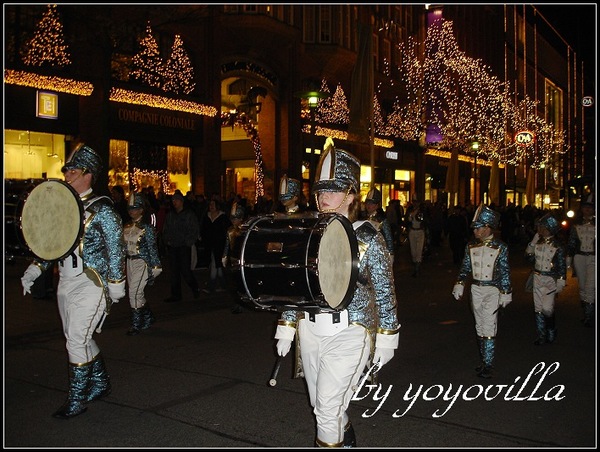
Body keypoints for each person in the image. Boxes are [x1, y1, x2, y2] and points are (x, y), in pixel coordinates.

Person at [273, 141, 399, 447]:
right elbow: (296, 285)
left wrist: (387, 337)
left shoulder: (369, 235)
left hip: (350, 330)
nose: (324, 197)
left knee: (327, 408)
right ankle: (346, 437)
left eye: (334, 190)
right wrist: (287, 326)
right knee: (323, 406)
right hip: (311, 328)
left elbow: (384, 289)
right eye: (321, 191)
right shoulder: (309, 232)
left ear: (351, 194)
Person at [20, 144, 126, 419]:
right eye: (66, 171)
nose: (67, 176)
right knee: (77, 337)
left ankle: (76, 400)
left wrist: (116, 283)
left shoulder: (103, 210)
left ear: (88, 175)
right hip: (65, 282)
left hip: (92, 282)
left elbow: (116, 248)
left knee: (76, 340)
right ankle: (101, 382)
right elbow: (51, 244)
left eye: (73, 171)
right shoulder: (62, 207)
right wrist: (35, 269)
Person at [452, 204, 512, 379]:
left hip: (492, 290)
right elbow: (465, 266)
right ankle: (484, 360)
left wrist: (506, 291)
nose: (475, 232)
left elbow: (505, 271)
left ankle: (488, 364)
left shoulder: (501, 247)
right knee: (479, 326)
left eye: (478, 228)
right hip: (476, 289)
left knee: (489, 326)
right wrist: (460, 283)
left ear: (487, 228)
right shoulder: (471, 246)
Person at [123, 192, 162, 335]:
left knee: (134, 292)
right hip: (129, 262)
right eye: (130, 208)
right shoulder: (126, 226)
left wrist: (156, 266)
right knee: (136, 293)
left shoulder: (147, 228)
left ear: (141, 210)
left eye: (135, 208)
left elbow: (153, 247)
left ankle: (136, 324)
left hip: (142, 262)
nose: (132, 211)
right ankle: (148, 316)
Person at [525, 212, 567, 345]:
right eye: (539, 227)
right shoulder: (537, 243)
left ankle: (551, 329)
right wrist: (532, 243)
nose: (540, 229)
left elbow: (561, 264)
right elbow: (528, 259)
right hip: (537, 277)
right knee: (538, 308)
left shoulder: (557, 246)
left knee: (547, 308)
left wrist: (561, 280)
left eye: (543, 227)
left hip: (550, 279)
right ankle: (542, 335)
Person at [162, 190, 201, 302]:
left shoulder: (188, 214)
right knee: (174, 272)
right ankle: (176, 294)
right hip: (173, 246)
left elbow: (194, 230)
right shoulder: (170, 215)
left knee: (185, 270)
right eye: (173, 200)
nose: (174, 202)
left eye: (176, 200)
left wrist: (188, 242)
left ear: (181, 201)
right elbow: (166, 229)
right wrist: (167, 240)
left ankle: (194, 287)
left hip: (183, 246)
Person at [567, 196, 596, 327]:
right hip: (579, 257)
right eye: (585, 207)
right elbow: (572, 242)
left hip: (594, 257)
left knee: (590, 287)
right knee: (583, 286)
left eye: (590, 208)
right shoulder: (576, 224)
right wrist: (569, 258)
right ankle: (586, 312)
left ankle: (589, 317)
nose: (587, 210)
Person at [200, 198, 232, 293]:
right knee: (218, 266)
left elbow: (229, 228)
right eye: (210, 205)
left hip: (220, 244)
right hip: (209, 244)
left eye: (213, 204)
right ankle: (224, 285)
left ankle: (211, 286)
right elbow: (204, 229)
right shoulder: (207, 217)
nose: (211, 206)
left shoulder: (222, 217)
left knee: (215, 264)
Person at [362, 187, 395, 263]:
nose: (368, 205)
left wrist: (390, 254)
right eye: (367, 203)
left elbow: (388, 237)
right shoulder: (363, 217)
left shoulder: (382, 220)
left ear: (377, 205)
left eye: (371, 203)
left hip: (378, 254)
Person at [406, 200, 427, 276]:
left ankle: (417, 269)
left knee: (419, 250)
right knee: (413, 250)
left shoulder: (423, 211)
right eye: (414, 202)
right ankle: (415, 265)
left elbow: (424, 220)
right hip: (413, 231)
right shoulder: (410, 210)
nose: (416, 204)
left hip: (420, 231)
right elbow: (408, 220)